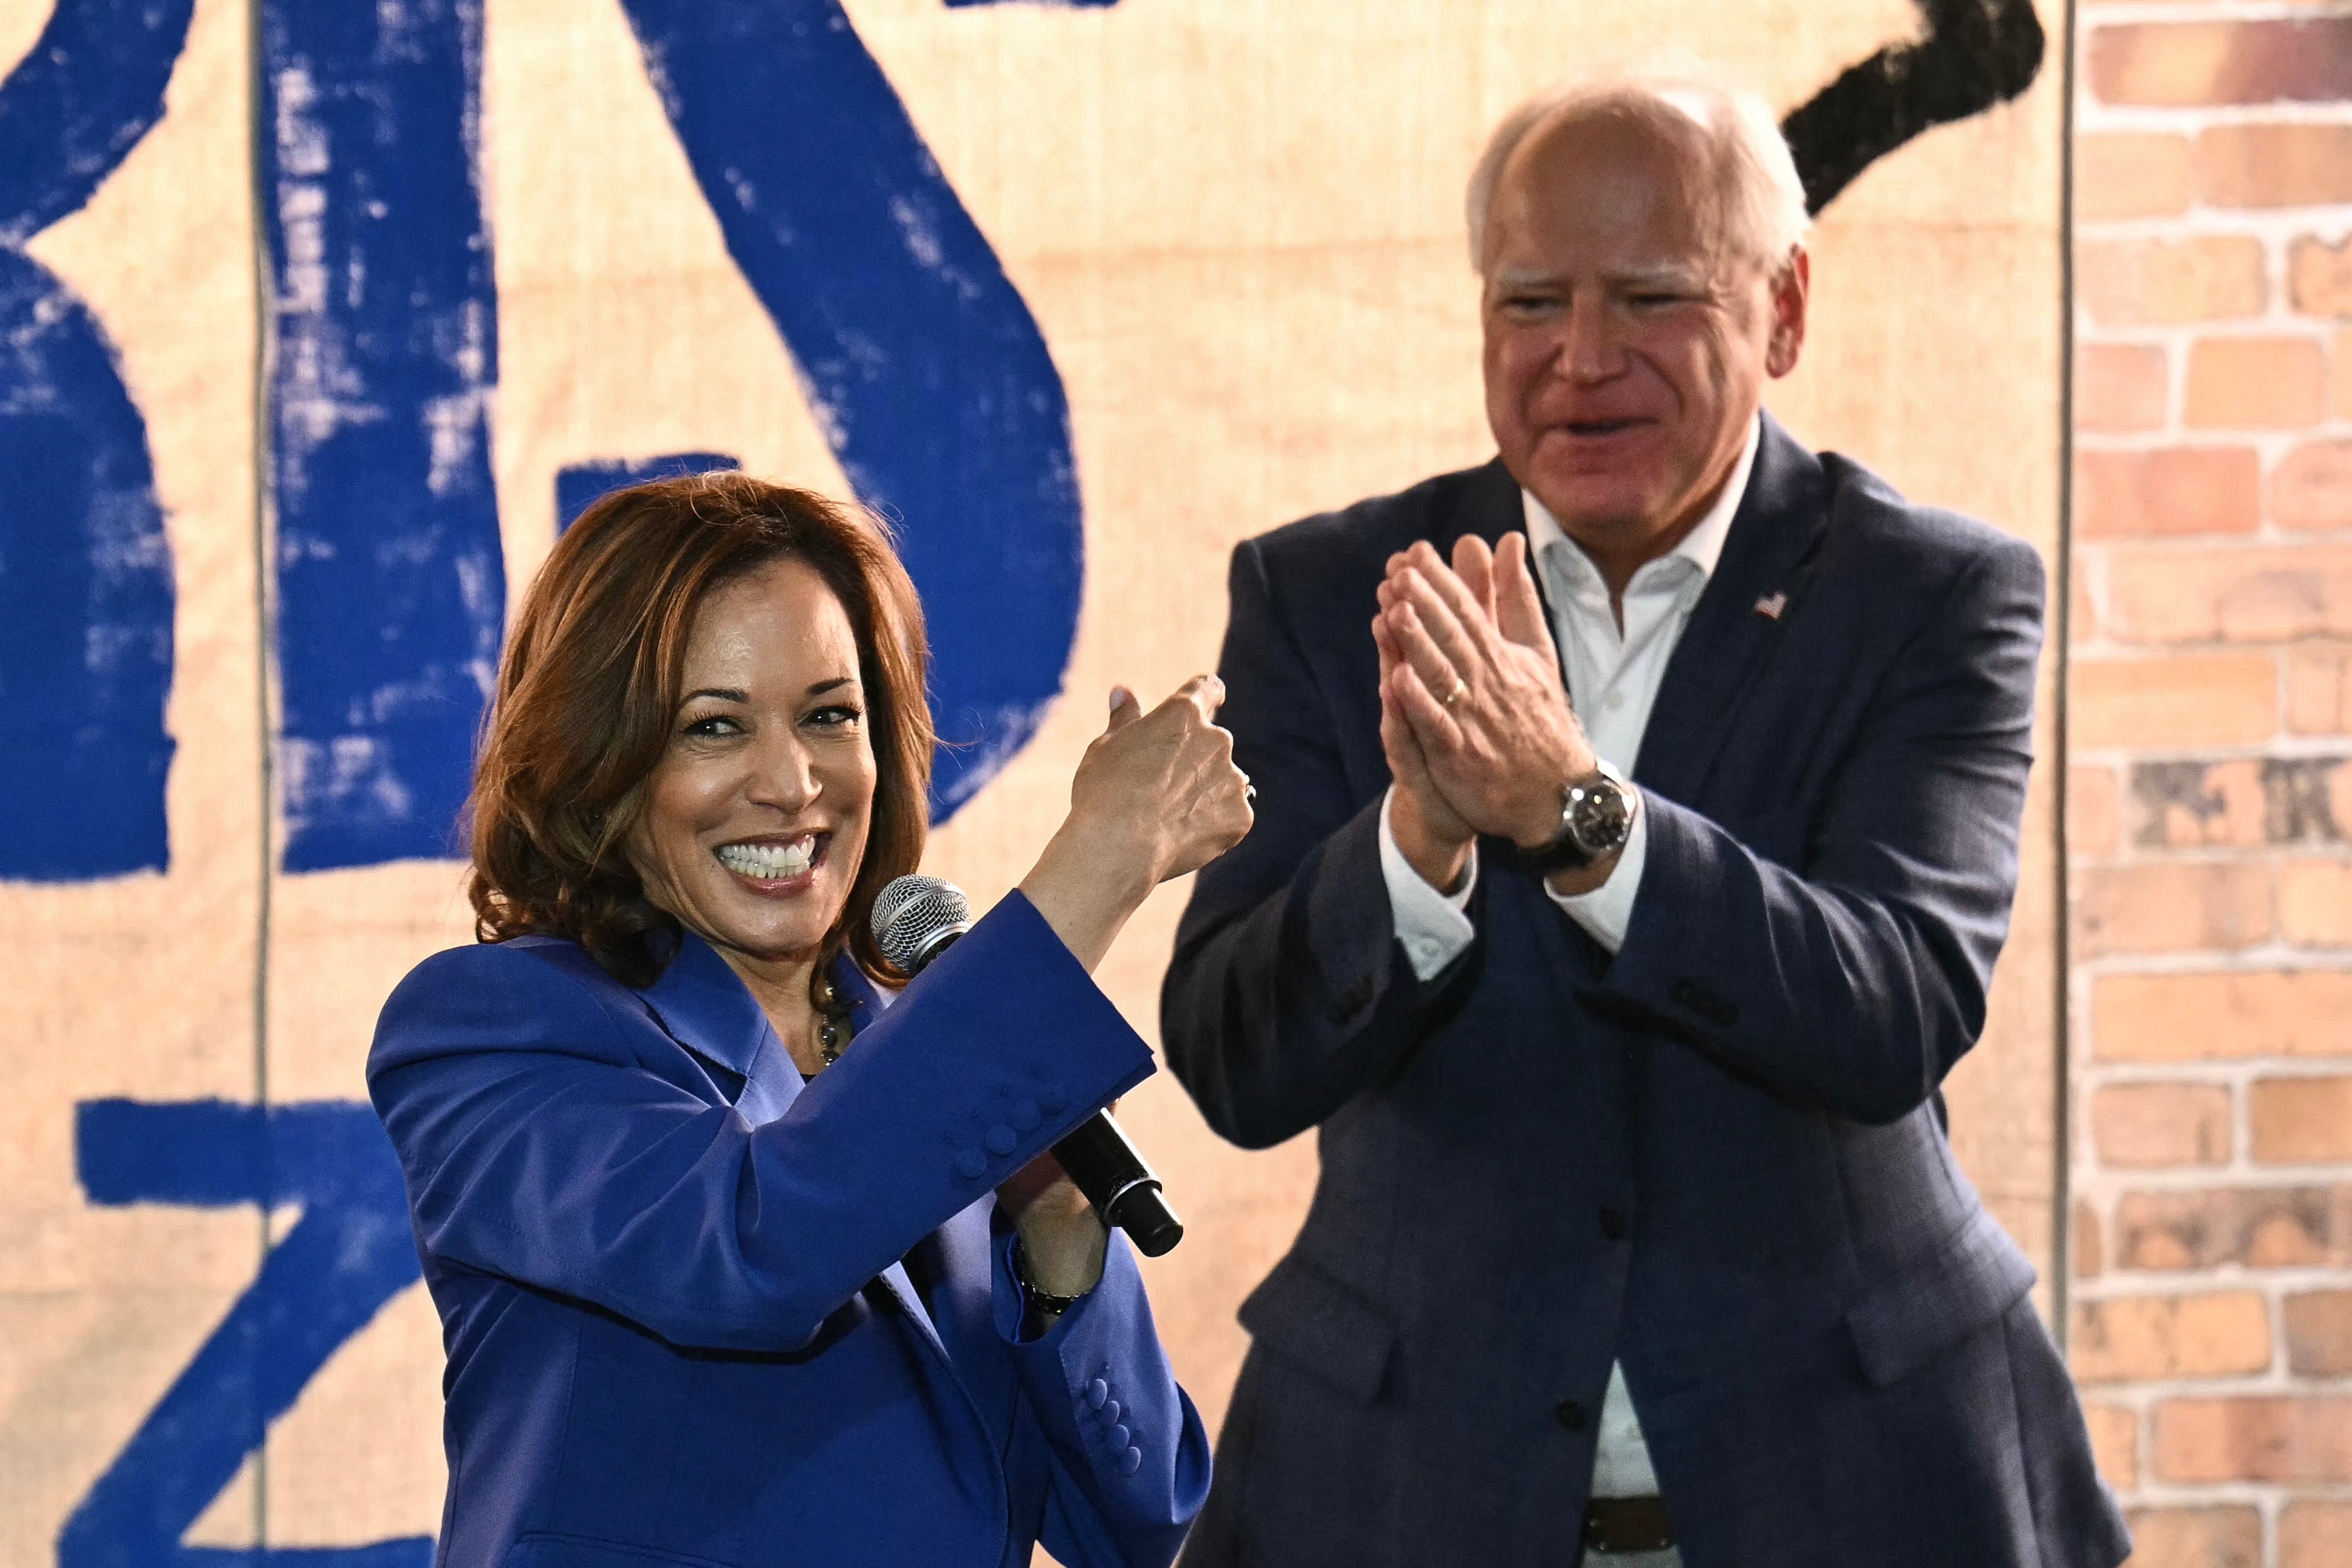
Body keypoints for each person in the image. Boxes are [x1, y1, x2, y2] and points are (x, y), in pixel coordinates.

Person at [1161, 69, 2130, 1568]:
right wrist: (1410, 855)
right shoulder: (1325, 593)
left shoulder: (1927, 595)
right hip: (1405, 1492)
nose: (1579, 360)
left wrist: (1579, 818)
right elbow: (1231, 1057)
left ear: (1782, 307)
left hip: (1853, 1484)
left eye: (1650, 297)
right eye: (1529, 301)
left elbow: (1894, 1007)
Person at [368, 473, 1243, 1568]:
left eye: (831, 715)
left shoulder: (939, 1059)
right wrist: (1093, 873)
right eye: (712, 727)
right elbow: (753, 1247)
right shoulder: (493, 1029)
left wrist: (1061, 1237)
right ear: (600, 774)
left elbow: (1138, 1523)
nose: (791, 782)